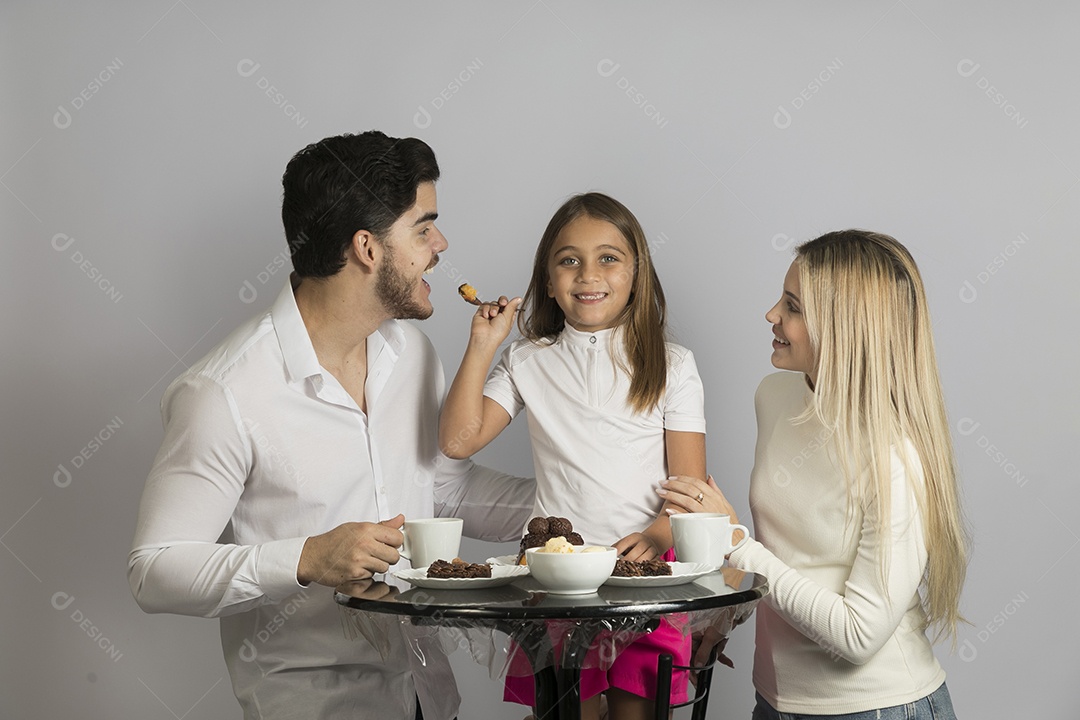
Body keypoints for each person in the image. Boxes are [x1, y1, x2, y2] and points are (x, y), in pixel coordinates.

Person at [127, 131, 535, 720]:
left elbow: (443, 490)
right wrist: (308, 558)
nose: (441, 244)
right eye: (423, 228)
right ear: (367, 248)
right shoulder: (222, 393)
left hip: (427, 696)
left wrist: (584, 502)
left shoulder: (413, 356)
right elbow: (155, 570)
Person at [660, 230, 966, 719]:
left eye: (793, 307)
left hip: (876, 707)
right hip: (776, 701)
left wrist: (732, 539)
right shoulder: (775, 396)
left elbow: (859, 635)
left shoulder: (893, 460)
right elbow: (790, 553)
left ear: (845, 327)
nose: (771, 315)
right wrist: (726, 613)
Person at [439, 192, 707, 720]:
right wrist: (482, 344)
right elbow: (458, 440)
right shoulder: (525, 359)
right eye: (569, 260)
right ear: (547, 280)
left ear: (637, 273)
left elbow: (689, 485)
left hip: (644, 577)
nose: (589, 274)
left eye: (609, 258)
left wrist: (655, 536)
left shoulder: (673, 364)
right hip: (556, 578)